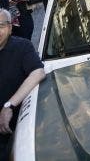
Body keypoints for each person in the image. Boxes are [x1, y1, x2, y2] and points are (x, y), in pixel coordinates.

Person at [0, 9, 45, 159]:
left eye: (1, 25)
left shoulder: (22, 47)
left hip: (18, 128)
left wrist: (9, 106)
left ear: (10, 27)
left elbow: (38, 72)